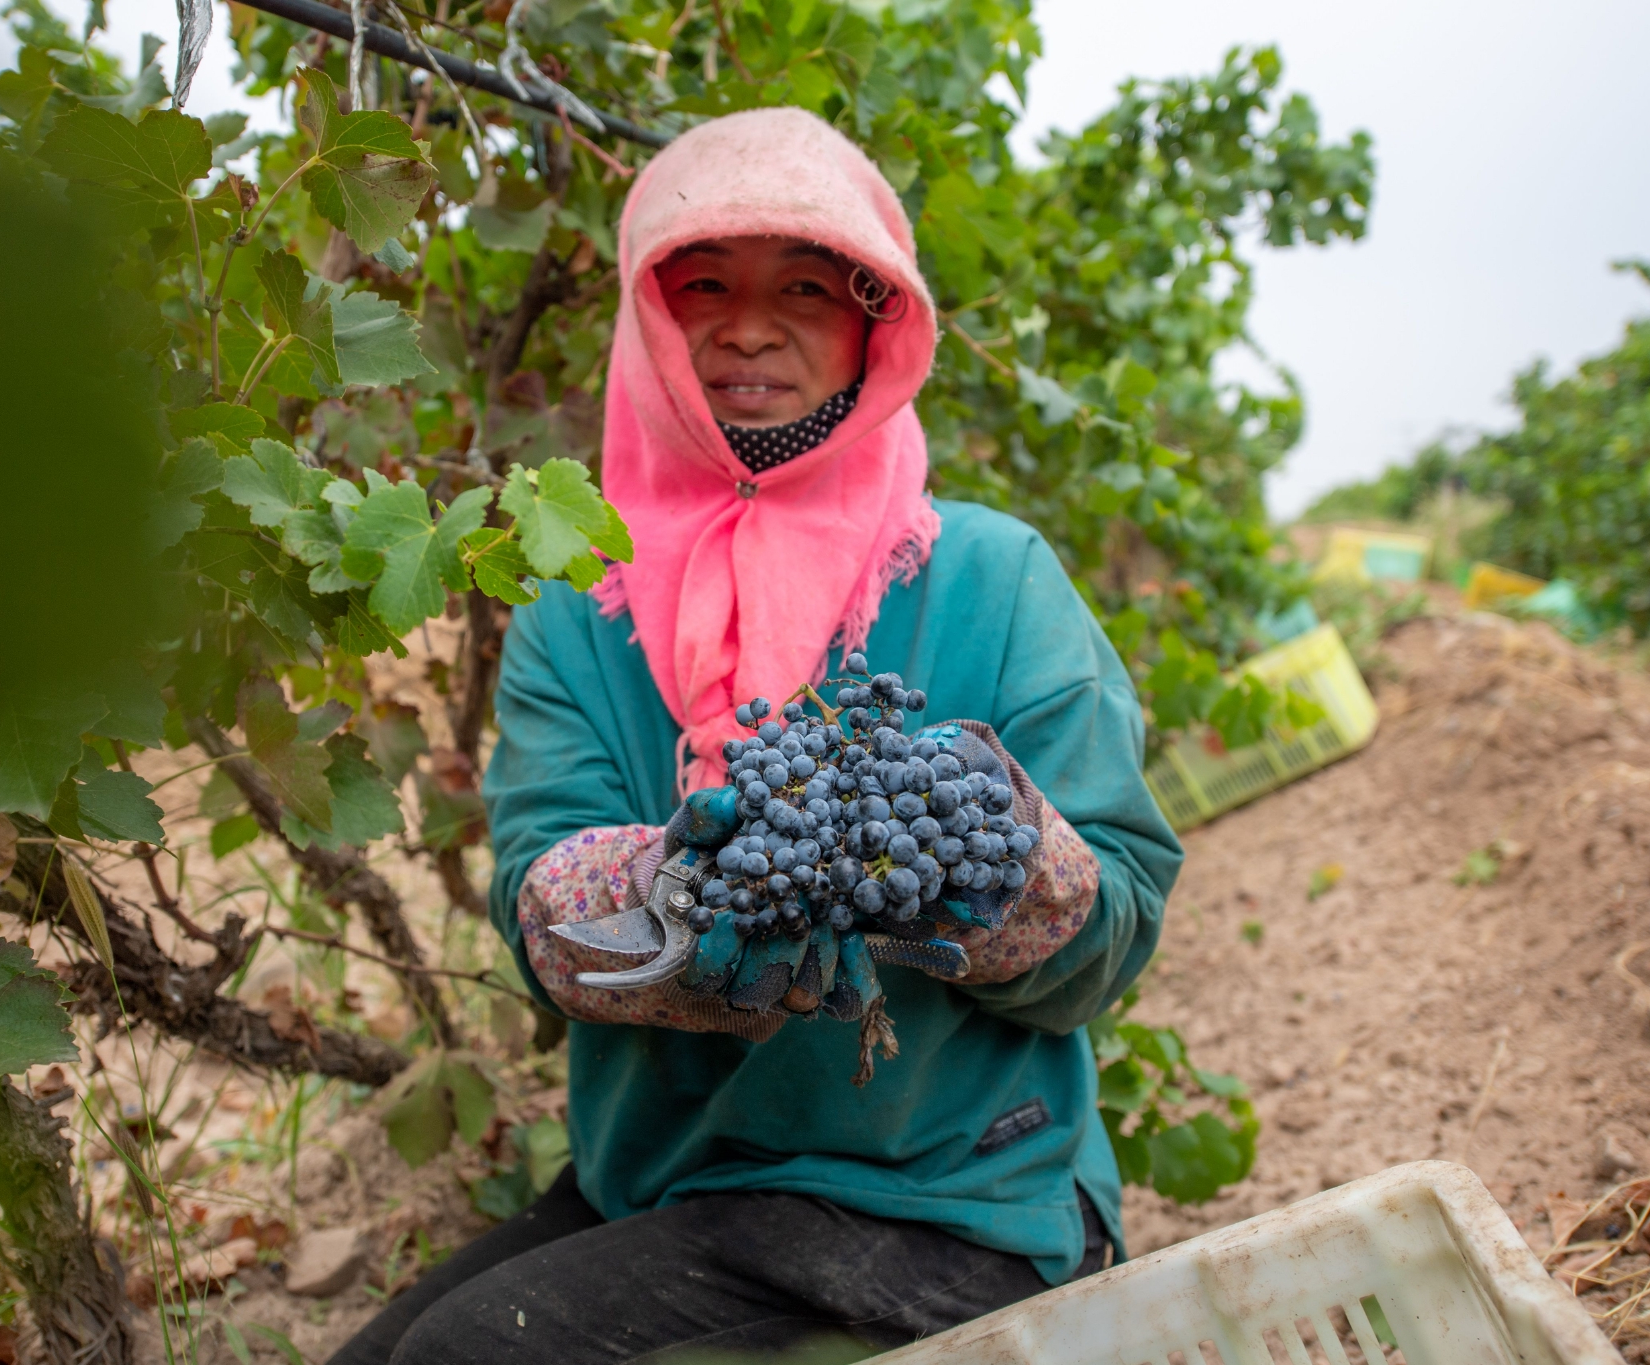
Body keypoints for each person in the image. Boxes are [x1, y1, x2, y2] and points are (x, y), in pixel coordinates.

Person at [331, 107, 1181, 1365]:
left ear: (873, 325)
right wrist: (666, 897)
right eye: (702, 287)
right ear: (648, 320)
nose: (745, 326)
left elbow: (1116, 929)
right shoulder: (581, 606)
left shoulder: (992, 578)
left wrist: (993, 866)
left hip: (944, 1197)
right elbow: (532, 900)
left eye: (804, 287)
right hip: (669, 1179)